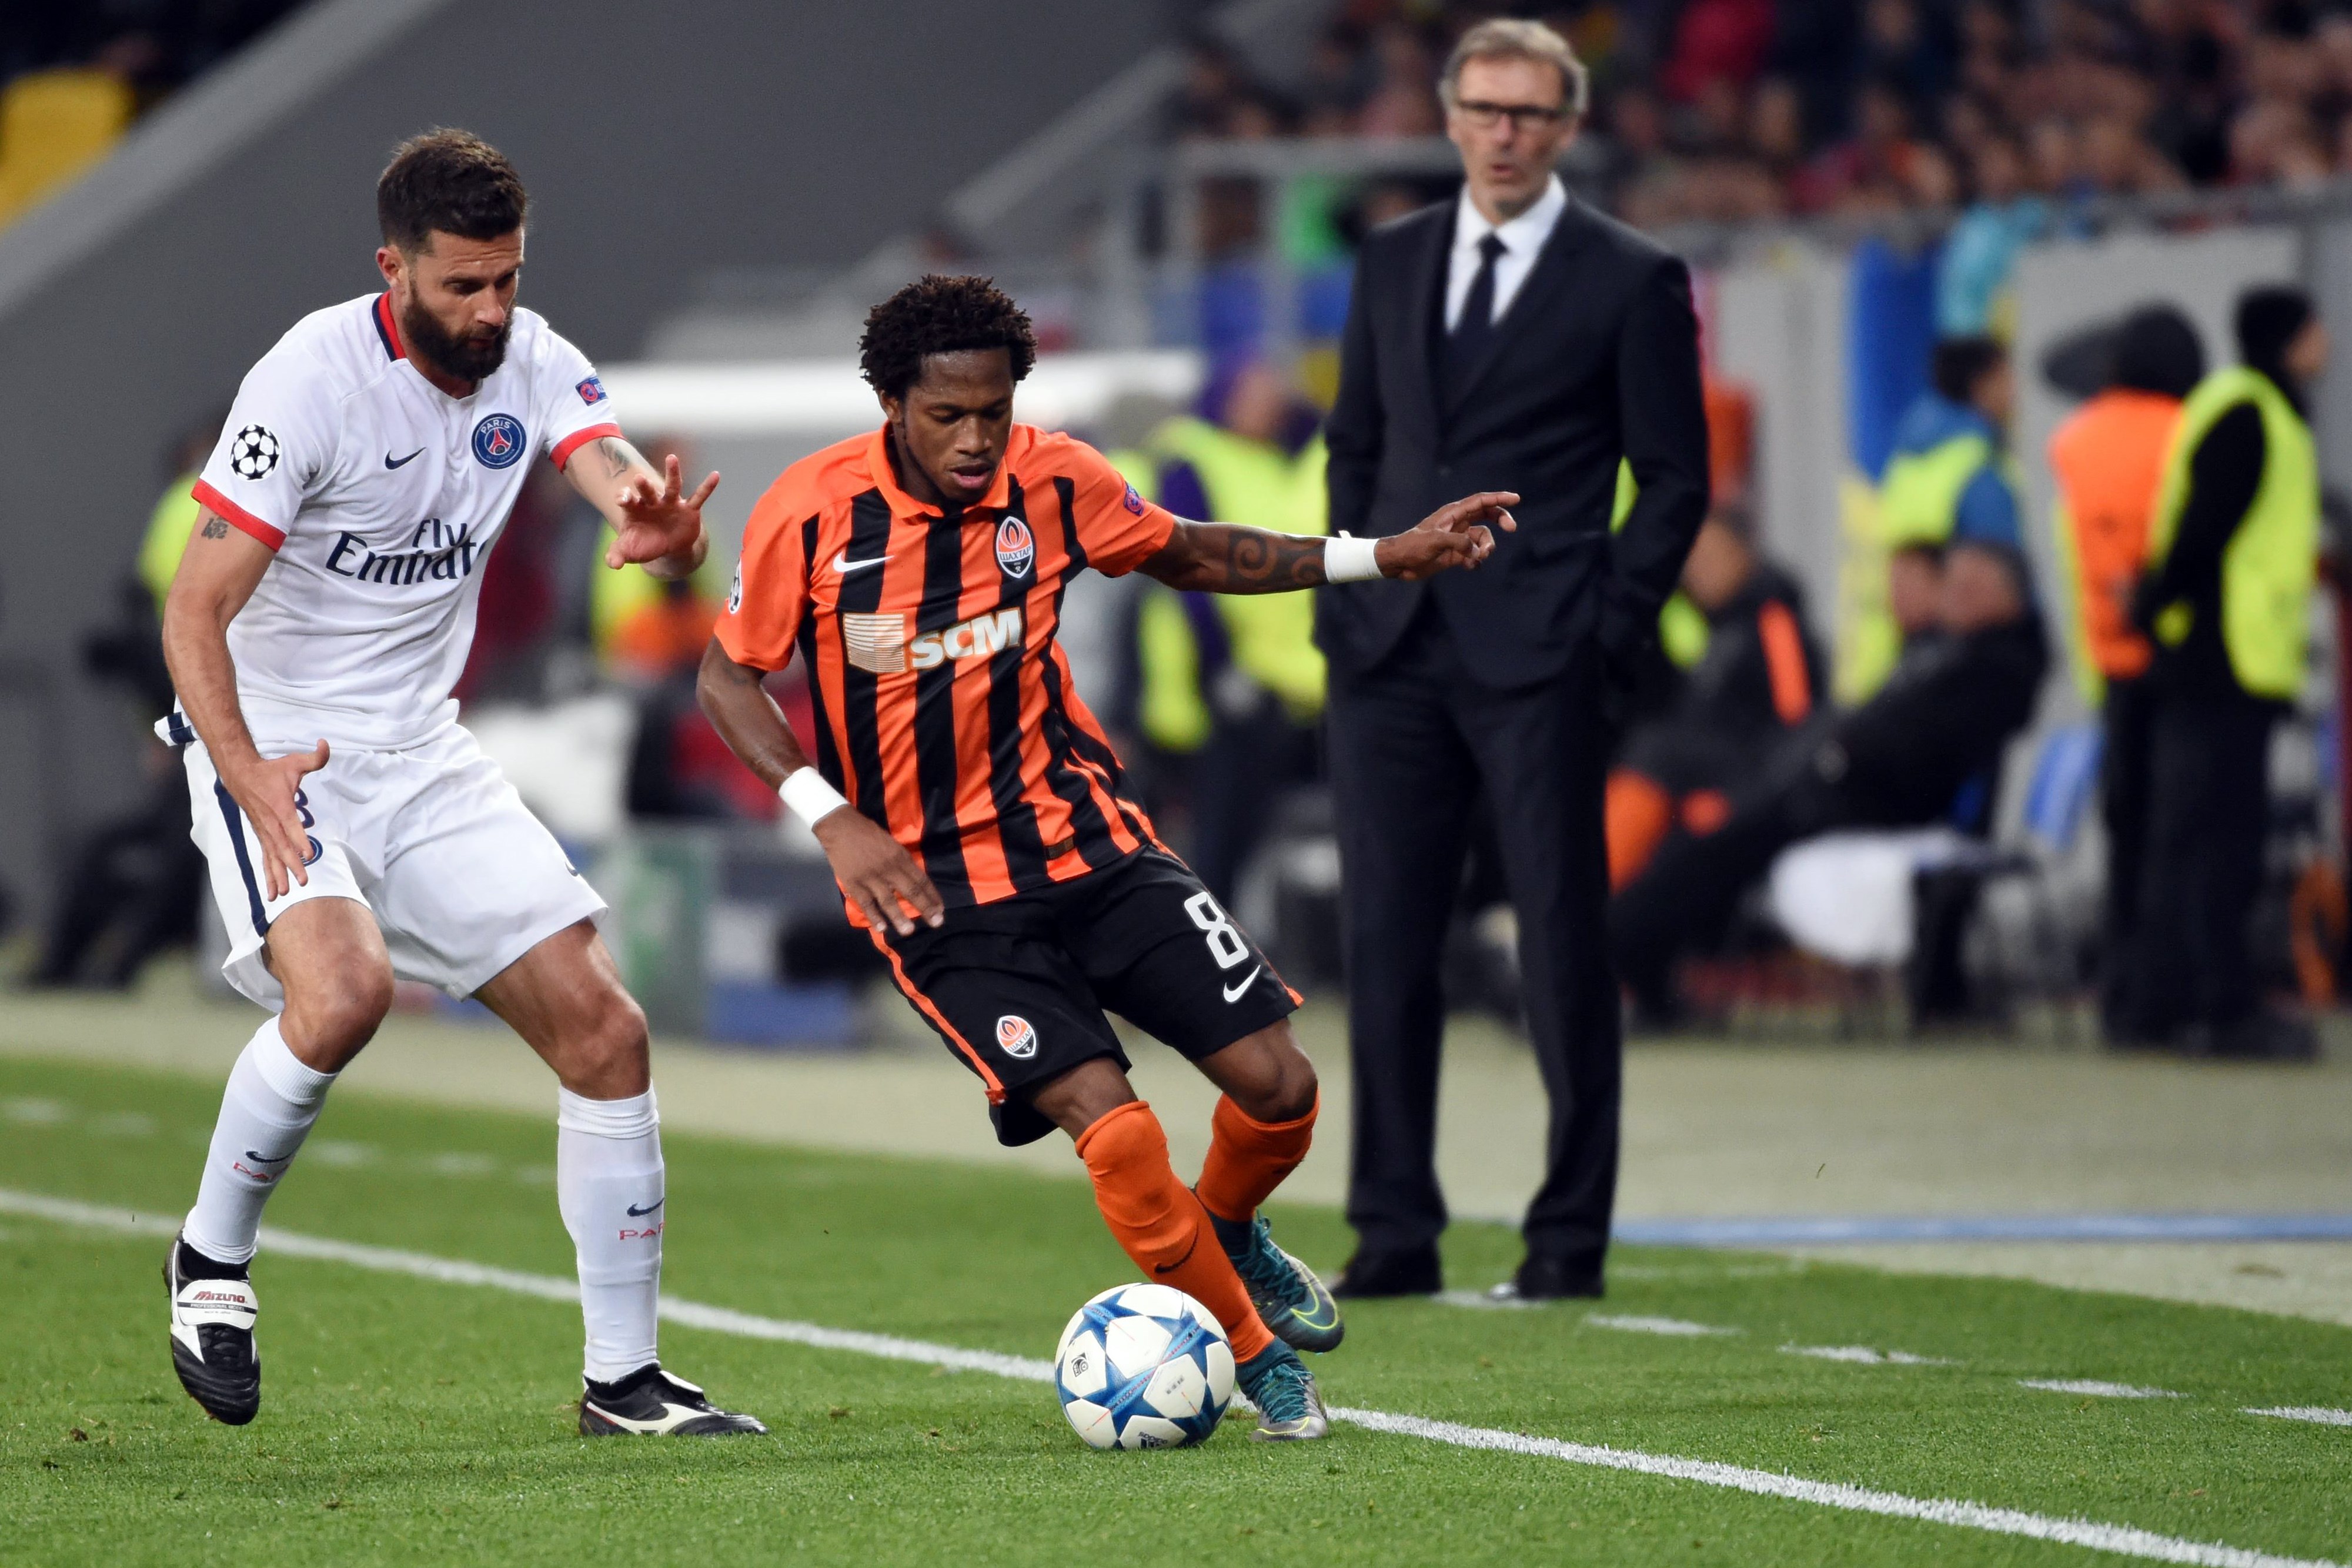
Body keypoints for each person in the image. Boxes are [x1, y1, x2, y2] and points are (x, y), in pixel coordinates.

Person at [697, 275, 1509, 1442]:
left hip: (1089, 846)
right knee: (1114, 1122)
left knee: (1281, 1091)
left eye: (994, 409)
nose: (977, 439)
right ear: (889, 403)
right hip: (935, 895)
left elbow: (1188, 552)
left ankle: (1224, 1230)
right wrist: (831, 815)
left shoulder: (1054, 477)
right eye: (947, 417)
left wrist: (1379, 556)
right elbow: (728, 676)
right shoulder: (810, 514)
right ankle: (1250, 1351)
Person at [156, 131, 762, 1437]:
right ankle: (210, 1260)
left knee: (606, 1029)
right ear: (394, 270)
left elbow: (599, 457)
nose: (490, 312)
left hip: (421, 751)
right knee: (346, 992)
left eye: (506, 281)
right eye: (462, 289)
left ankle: (624, 1379)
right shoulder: (307, 381)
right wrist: (245, 767)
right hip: (276, 740)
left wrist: (641, 522)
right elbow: (194, 610)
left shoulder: (530, 355)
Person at [1318, 18, 1710, 1303]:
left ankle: (1567, 1238)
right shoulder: (1389, 258)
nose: (1503, 134)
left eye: (1529, 115)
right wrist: (1348, 581)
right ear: (1447, 115)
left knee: (1557, 938)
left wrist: (1605, 619)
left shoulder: (1628, 276)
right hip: (1387, 650)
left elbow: (1672, 478)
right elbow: (1358, 444)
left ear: (1566, 128)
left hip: (1541, 652)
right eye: (1484, 109)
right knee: (1383, 941)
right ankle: (1391, 1232)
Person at [1612, 536, 2048, 1018]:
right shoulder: (1944, 654)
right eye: (1955, 584)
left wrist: (1840, 754)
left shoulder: (1993, 667)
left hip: (1869, 802)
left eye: (1971, 585)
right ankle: (1626, 954)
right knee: (1707, 837)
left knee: (1721, 843)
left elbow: (1910, 746)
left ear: (2010, 597)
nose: (1957, 596)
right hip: (1840, 788)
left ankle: (1610, 949)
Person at [2120, 286, 2329, 1061]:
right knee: (2219, 843)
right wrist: (2155, 603)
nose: (2328, 340)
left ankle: (2161, 1004)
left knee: (2188, 838)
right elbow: (2206, 530)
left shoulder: (2244, 408)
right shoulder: (2253, 414)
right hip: (2224, 661)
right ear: (2289, 339)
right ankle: (2220, 1005)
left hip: (2220, 661)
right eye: (2316, 328)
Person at [2043, 303, 2204, 1042]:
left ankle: (2120, 996)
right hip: (2180, 660)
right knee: (2179, 840)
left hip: (2108, 662)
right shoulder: (2184, 434)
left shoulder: (2075, 441)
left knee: (2127, 834)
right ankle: (2167, 997)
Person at [1132, 357, 1329, 904]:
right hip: (1214, 682)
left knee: (1267, 830)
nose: (1273, 408)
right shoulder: (1190, 457)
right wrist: (1222, 670)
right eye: (1257, 395)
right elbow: (1189, 571)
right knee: (1217, 833)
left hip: (1282, 681)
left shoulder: (1269, 458)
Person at [1606, 502, 1825, 888]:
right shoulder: (1720, 631)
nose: (1700, 570)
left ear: (1744, 552)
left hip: (1744, 796)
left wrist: (1734, 802)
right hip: (1692, 787)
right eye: (1692, 559)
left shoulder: (1773, 621)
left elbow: (1798, 725)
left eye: (1712, 555)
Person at [1847, 335, 2021, 701]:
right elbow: (2001, 574)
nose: (2013, 393)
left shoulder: (1906, 460)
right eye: (2006, 378)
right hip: (1962, 661)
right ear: (1982, 383)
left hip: (1895, 653)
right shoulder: (1977, 469)